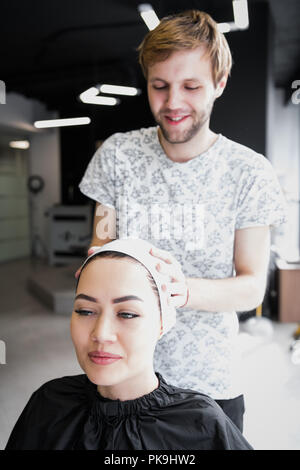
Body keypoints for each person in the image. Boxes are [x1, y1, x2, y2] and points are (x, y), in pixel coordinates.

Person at [78, 10, 287, 432]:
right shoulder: (117, 156)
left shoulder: (248, 172)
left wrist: (178, 290)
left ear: (219, 84)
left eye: (191, 86)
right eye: (160, 86)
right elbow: (99, 251)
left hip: (210, 385)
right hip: (122, 379)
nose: (173, 103)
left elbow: (250, 287)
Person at [5, 239, 252, 450]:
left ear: (162, 323)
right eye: (85, 310)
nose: (101, 334)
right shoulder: (48, 405)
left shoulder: (202, 425)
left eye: (127, 314)